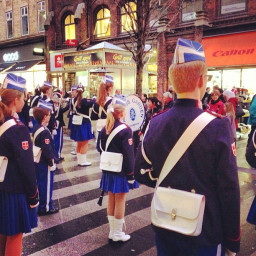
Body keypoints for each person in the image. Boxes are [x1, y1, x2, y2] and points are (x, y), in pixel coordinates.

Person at [134, 38, 240, 256]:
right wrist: (232, 239)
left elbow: (141, 172)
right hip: (205, 231)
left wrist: (169, 179)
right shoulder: (218, 126)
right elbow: (228, 189)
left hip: (166, 226)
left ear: (173, 80)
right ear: (201, 80)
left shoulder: (156, 122)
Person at [0, 73, 38, 255]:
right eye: (23, 97)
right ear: (16, 99)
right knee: (14, 236)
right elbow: (27, 167)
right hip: (13, 191)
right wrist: (33, 195)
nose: (25, 101)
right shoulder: (17, 128)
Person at [97, 96, 139, 242]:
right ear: (121, 112)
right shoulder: (125, 130)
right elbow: (129, 154)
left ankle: (112, 232)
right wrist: (131, 174)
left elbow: (99, 148)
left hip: (108, 169)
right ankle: (117, 233)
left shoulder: (105, 128)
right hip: (120, 170)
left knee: (111, 200)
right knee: (120, 200)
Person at [32, 104, 59, 216]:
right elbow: (47, 148)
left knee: (40, 183)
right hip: (44, 162)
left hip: (38, 161)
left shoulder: (37, 128)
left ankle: (42, 205)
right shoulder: (44, 131)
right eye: (48, 115)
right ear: (44, 117)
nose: (49, 116)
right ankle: (46, 207)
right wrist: (51, 160)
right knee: (46, 185)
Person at [70, 85, 94, 166]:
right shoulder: (83, 100)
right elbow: (92, 104)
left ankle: (80, 160)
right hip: (84, 123)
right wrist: (94, 99)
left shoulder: (73, 100)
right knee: (84, 142)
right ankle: (83, 161)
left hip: (77, 123)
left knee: (79, 142)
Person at [52, 91, 69, 161]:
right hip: (58, 125)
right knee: (58, 141)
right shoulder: (57, 107)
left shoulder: (51, 105)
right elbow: (63, 110)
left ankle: (56, 154)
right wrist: (69, 105)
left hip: (53, 125)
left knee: (54, 140)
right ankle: (57, 155)